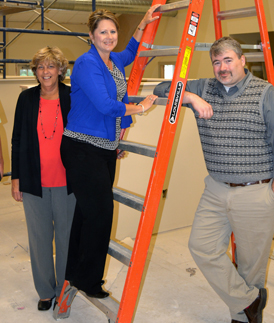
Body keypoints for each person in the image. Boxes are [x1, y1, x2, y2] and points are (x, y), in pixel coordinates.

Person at [154, 37, 274, 323]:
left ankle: (242, 316)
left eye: (228, 60)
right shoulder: (204, 88)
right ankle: (250, 300)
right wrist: (191, 97)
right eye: (217, 62)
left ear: (243, 61)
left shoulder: (268, 95)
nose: (222, 67)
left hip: (256, 192)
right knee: (201, 246)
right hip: (216, 189)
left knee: (250, 264)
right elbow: (161, 88)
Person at [60, 6, 159, 300]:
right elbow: (106, 106)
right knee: (101, 215)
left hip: (103, 149)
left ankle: (74, 272)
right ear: (91, 36)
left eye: (112, 31)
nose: (108, 36)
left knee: (86, 214)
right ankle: (89, 280)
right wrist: (141, 107)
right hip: (81, 148)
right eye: (102, 32)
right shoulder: (87, 63)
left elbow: (130, 51)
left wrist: (142, 25)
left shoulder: (113, 59)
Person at [11, 46, 76, 311]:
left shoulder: (73, 96)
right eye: (40, 66)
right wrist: (16, 178)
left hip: (67, 181)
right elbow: (17, 139)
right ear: (35, 71)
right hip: (33, 181)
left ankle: (64, 288)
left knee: (66, 237)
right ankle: (45, 291)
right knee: (39, 238)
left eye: (51, 66)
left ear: (61, 70)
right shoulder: (26, 99)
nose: (45, 71)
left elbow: (88, 131)